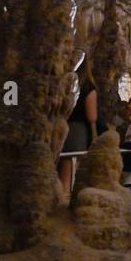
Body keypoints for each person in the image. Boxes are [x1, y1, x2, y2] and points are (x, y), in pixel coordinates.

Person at [59, 54, 100, 195]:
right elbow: (92, 116)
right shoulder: (88, 87)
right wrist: (95, 137)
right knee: (70, 167)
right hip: (77, 131)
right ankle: (66, 198)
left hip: (62, 126)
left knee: (62, 165)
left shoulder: (66, 83)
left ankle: (62, 195)